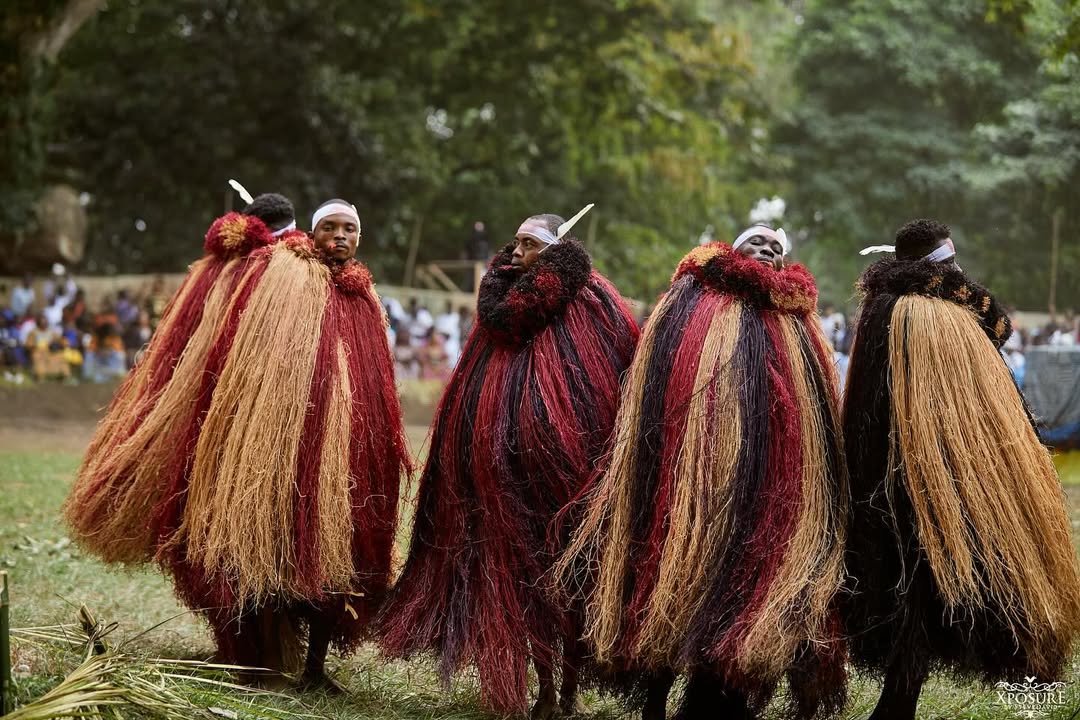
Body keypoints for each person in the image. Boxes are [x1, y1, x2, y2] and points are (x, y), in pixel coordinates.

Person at [558, 225, 848, 720]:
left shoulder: (795, 320)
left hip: (765, 496)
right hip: (687, 488)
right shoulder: (692, 295)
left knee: (743, 595)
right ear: (732, 248)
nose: (769, 249)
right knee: (667, 587)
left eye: (777, 247)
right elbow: (652, 382)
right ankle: (653, 696)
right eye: (757, 240)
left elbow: (816, 418)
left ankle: (722, 699)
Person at [380, 207, 639, 719]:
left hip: (574, 479)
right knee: (524, 584)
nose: (516, 253)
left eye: (529, 244)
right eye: (514, 243)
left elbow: (623, 383)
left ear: (557, 249)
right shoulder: (496, 310)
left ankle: (568, 688)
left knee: (574, 580)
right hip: (504, 479)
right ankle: (541, 687)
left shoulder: (596, 306)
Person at [843, 219, 1080, 720]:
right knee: (920, 589)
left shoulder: (925, 311)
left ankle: (899, 701)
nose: (956, 269)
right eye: (946, 262)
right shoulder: (915, 313)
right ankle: (899, 702)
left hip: (938, 483)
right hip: (916, 485)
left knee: (927, 592)